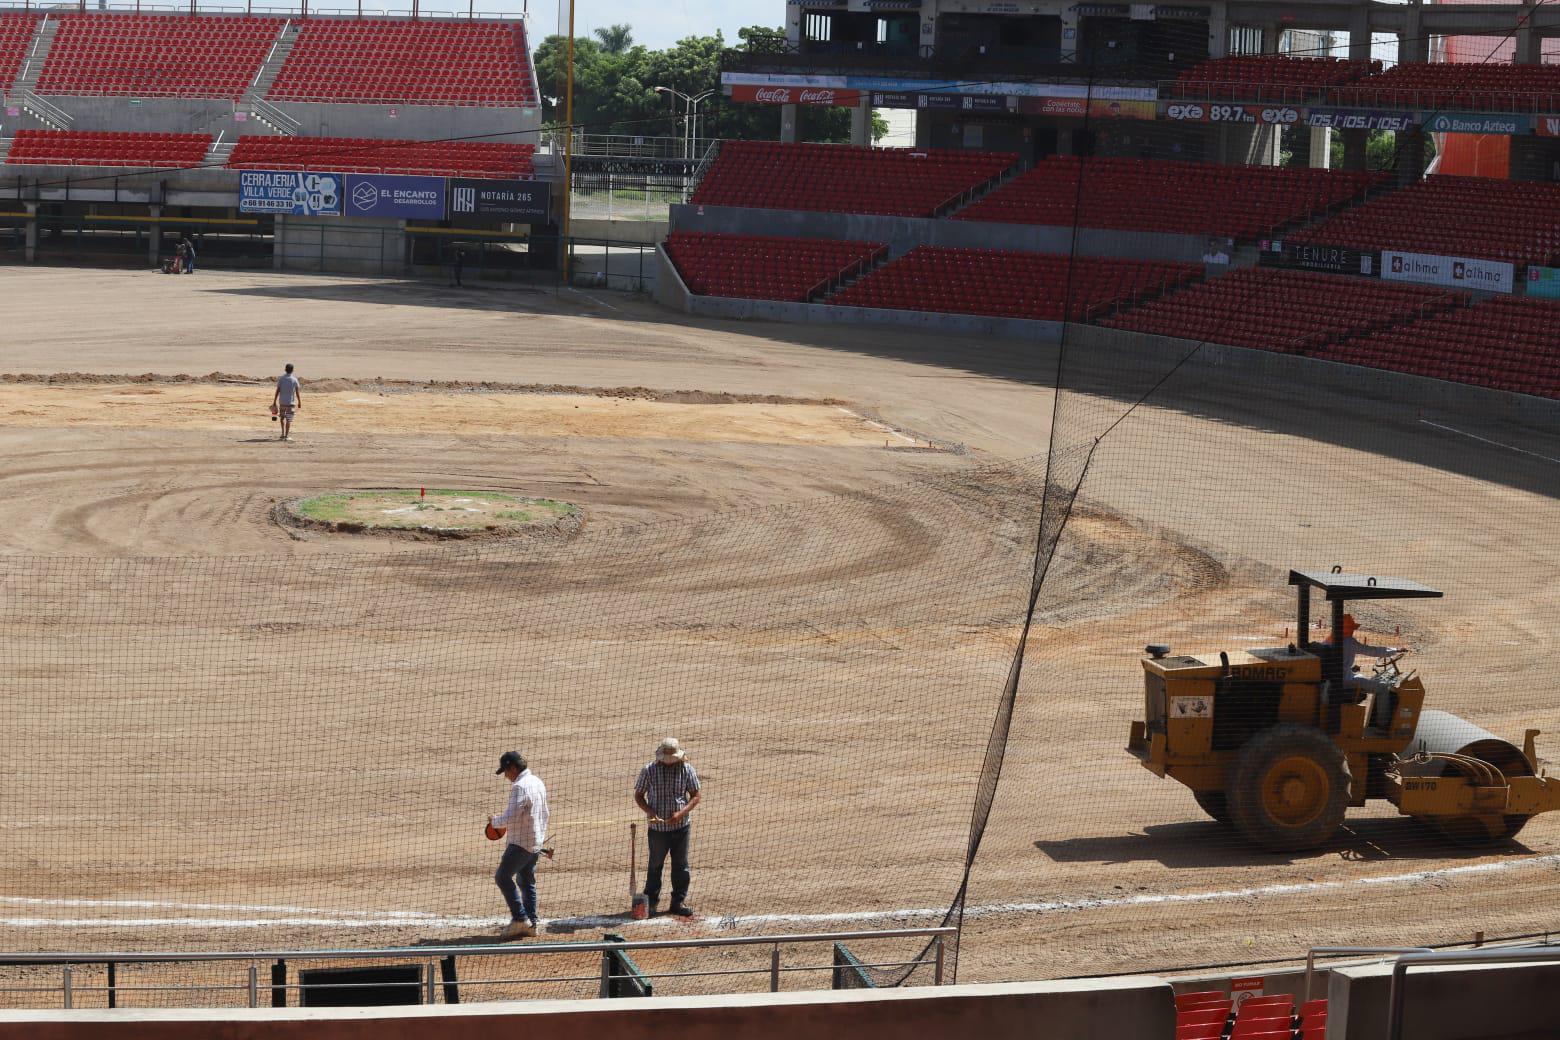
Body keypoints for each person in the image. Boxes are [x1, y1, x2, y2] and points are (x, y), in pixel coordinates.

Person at [634, 737, 702, 917]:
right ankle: (652, 903)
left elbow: (696, 796)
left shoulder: (687, 769)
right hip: (658, 830)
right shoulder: (649, 770)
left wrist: (681, 813)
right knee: (655, 866)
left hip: (682, 828)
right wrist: (649, 811)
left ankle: (678, 902)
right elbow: (639, 795)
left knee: (681, 866)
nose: (670, 764)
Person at [491, 750, 549, 939]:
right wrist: (539, 837)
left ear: (514, 767)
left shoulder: (520, 787)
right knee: (526, 880)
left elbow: (511, 817)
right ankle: (532, 923)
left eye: (506, 771)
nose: (506, 776)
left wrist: (494, 822)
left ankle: (519, 919)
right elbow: (545, 813)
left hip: (520, 843)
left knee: (502, 876)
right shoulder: (537, 781)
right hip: (536, 841)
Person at [270, 363, 302, 442]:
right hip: (290, 403)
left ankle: (282, 434)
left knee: (282, 418)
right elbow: (297, 392)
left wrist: (274, 401)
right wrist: (299, 402)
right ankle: (287, 436)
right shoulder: (294, 380)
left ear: (285, 369)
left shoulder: (281, 379)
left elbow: (278, 391)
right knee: (288, 419)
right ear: (292, 370)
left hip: (282, 402)